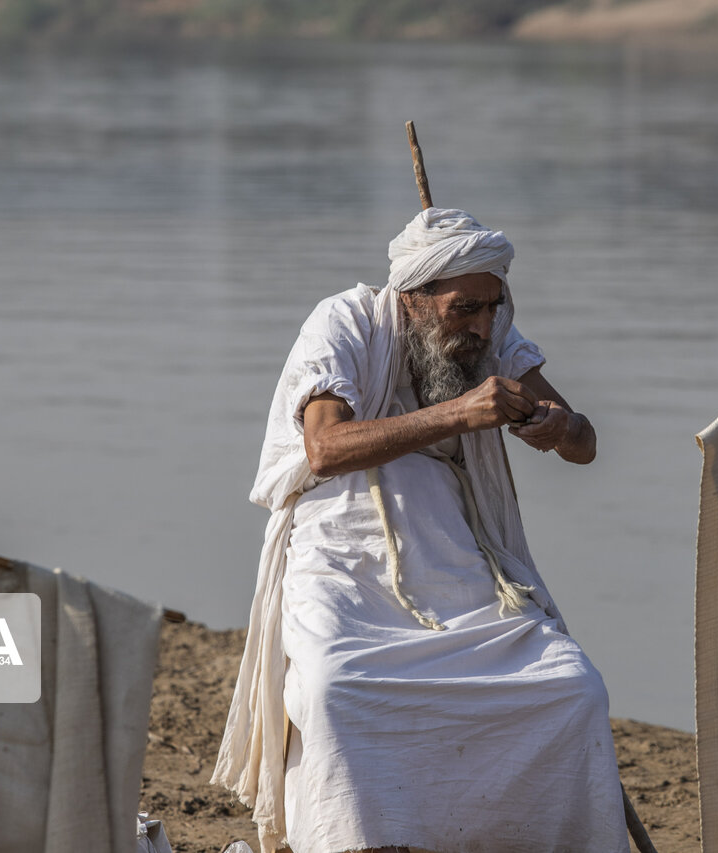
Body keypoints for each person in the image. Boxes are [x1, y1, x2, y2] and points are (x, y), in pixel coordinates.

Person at [213, 208, 630, 853]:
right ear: (412, 298)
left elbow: (586, 442)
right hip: (340, 541)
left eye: (493, 307)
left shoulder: (494, 340)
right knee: (334, 688)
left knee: (570, 689)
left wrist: (561, 428)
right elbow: (323, 449)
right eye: (465, 309)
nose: (481, 327)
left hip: (453, 544)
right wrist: (458, 412)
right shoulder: (346, 321)